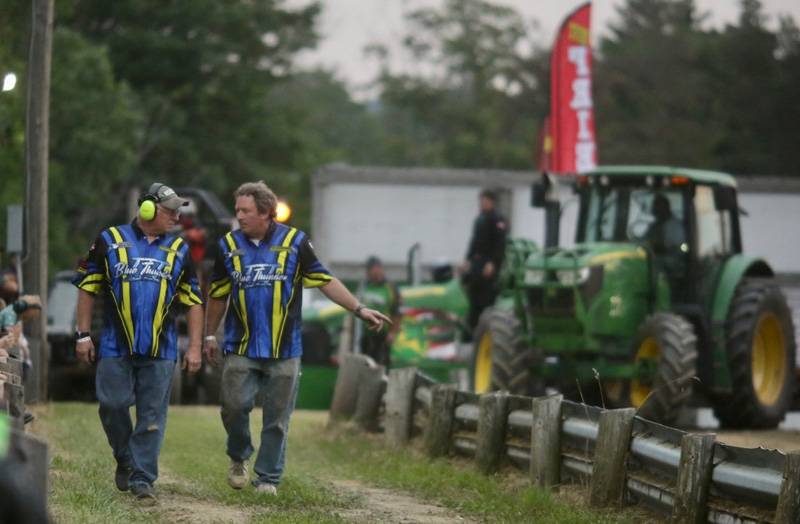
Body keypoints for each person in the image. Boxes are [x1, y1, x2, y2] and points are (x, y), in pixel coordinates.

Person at [203, 181, 390, 496]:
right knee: (233, 408)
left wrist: (358, 309)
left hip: (285, 348)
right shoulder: (227, 246)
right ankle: (238, 456)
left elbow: (325, 281)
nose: (239, 216)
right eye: (237, 210)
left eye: (245, 211)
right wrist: (209, 334)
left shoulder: (296, 242)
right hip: (241, 345)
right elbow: (218, 294)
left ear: (265, 212)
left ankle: (267, 479)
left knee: (277, 419)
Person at [73, 183, 204, 504]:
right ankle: (124, 457)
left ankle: (143, 479)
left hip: (161, 349)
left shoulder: (180, 249)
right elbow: (88, 288)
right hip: (115, 346)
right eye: (170, 210)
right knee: (112, 405)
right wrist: (83, 334)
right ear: (147, 209)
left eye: (178, 210)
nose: (177, 216)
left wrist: (196, 346)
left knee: (151, 417)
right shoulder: (109, 241)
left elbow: (194, 301)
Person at [462, 188, 507, 330]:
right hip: (477, 262)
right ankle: (470, 329)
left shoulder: (498, 220)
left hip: (490, 262)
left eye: (485, 201)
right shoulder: (480, 219)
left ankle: (485, 327)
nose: (482, 204)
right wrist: (467, 259)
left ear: (492, 202)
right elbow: (474, 242)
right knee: (473, 296)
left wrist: (493, 263)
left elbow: (500, 244)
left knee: (487, 299)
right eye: (481, 201)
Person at [358, 256, 402, 368]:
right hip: (366, 335)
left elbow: (397, 312)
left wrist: (393, 332)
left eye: (375, 268)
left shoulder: (390, 288)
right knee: (365, 365)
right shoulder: (365, 287)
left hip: (383, 334)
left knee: (381, 366)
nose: (373, 272)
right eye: (370, 269)